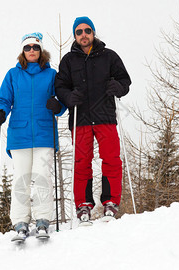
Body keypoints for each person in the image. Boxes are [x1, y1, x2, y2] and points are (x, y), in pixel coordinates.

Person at [55, 17, 131, 223]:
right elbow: (60, 86)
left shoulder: (109, 56)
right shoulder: (69, 61)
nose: (83, 35)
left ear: (93, 32)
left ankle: (110, 202)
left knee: (112, 159)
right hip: (80, 119)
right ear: (75, 35)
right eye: (79, 32)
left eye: (87, 30)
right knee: (81, 162)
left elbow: (125, 80)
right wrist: (69, 97)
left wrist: (119, 87)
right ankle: (83, 205)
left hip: (105, 116)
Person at [0, 32, 66, 239]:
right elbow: (4, 99)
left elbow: (62, 102)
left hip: (44, 132)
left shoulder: (51, 74)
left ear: (40, 50)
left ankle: (43, 221)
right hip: (19, 133)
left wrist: (57, 106)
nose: (31, 50)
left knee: (42, 177)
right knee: (21, 179)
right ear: (22, 51)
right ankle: (20, 223)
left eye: (35, 47)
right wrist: (0, 112)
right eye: (27, 47)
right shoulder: (13, 74)